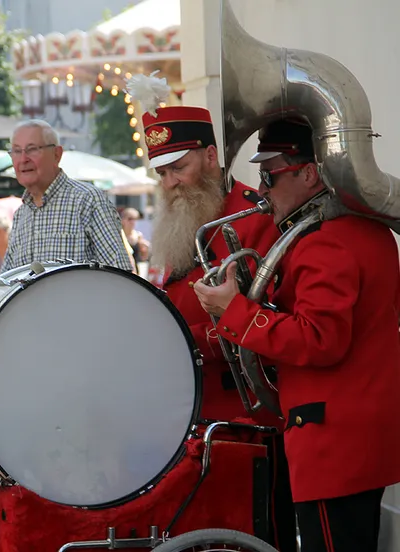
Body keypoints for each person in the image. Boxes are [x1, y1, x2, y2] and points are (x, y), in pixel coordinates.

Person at [194, 118, 400, 552]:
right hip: (361, 439)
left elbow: (320, 339)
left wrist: (234, 310)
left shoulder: (324, 242)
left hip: (331, 443)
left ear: (309, 173)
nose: (263, 188)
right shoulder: (370, 231)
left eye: (270, 175)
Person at [134, 101, 293, 550]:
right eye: (161, 174)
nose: (170, 184)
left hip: (250, 419)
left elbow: (272, 315)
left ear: (209, 156)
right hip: (192, 414)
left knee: (256, 534)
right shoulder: (184, 220)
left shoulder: (256, 215)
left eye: (178, 168)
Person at [0, 120, 133, 272]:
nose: (23, 159)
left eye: (32, 149)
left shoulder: (88, 200)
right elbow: (8, 280)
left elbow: (120, 274)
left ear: (57, 154)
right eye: (16, 151)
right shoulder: (21, 214)